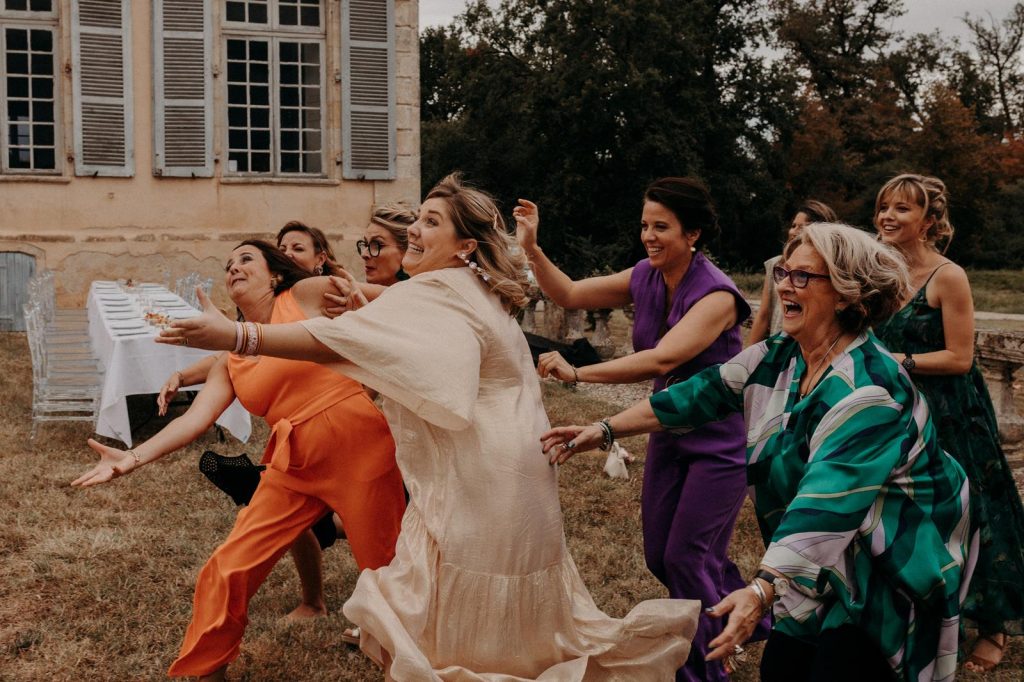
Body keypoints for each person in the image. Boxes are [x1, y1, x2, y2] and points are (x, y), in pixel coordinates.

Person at [160, 173, 699, 681]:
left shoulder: (440, 291)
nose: (414, 230)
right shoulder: (469, 286)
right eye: (417, 219)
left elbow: (327, 341)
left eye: (432, 222)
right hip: (516, 464)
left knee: (456, 602)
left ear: (465, 245)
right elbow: (378, 324)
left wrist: (239, 336)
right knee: (482, 602)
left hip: (486, 475)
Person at [541, 222, 975, 682]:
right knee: (785, 668)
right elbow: (694, 395)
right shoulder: (781, 354)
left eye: (803, 276)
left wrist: (762, 589)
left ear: (848, 294)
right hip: (814, 565)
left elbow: (827, 504)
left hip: (887, 565)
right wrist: (605, 429)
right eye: (784, 272)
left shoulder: (869, 392)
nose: (785, 283)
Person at [73, 240, 406, 680]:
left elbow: (406, 301)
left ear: (275, 275)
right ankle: (207, 669)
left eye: (246, 258)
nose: (234, 267)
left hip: (359, 447)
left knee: (387, 575)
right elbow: (193, 421)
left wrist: (365, 304)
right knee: (228, 567)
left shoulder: (305, 295)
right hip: (293, 462)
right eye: (228, 264)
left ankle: (412, 666)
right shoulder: (232, 357)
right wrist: (130, 458)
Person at [514, 178, 756, 682]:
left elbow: (664, 357)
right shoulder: (645, 275)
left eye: (661, 227)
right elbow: (571, 293)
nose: (648, 235)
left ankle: (706, 670)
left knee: (686, 556)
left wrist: (579, 372)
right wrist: (533, 249)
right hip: (667, 431)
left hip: (720, 444)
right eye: (645, 225)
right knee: (659, 556)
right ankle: (754, 612)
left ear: (693, 234)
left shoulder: (718, 296)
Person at [872, 173, 1024, 673]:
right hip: (895, 407)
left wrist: (900, 360)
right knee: (909, 510)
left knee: (974, 508)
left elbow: (960, 357)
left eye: (903, 209)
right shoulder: (875, 266)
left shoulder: (948, 276)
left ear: (929, 221)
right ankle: (927, 609)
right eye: (884, 207)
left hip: (951, 409)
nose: (888, 216)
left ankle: (994, 623)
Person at [748, 200, 837, 345]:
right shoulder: (775, 264)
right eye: (793, 225)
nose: (794, 231)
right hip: (777, 346)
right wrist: (747, 358)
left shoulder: (829, 270)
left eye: (802, 227)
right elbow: (763, 315)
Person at [277, 221, 342, 276]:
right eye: (282, 250)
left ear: (320, 259)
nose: (286, 254)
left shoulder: (331, 288)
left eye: (298, 249)